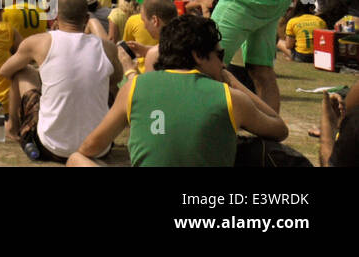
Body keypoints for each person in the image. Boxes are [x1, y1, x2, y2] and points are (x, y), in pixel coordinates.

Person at [67, 14, 289, 167]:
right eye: (219, 56)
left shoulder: (134, 87)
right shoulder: (229, 97)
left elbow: (90, 147)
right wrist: (231, 81)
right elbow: (279, 128)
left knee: (75, 159)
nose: (222, 64)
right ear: (197, 55)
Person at [0, 0, 122, 162]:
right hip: (98, 148)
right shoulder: (107, 48)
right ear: (87, 18)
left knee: (21, 72)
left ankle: (12, 126)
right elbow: (115, 80)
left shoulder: (38, 42)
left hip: (51, 147)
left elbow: (5, 71)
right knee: (106, 84)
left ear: (56, 16)